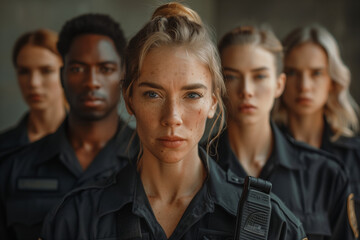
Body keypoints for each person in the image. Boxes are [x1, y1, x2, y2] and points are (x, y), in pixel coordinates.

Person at [41, 3, 307, 240]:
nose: (172, 118)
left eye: (192, 95)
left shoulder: (269, 222)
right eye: (153, 94)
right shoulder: (76, 217)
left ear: (213, 102)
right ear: (129, 99)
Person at [0, 14, 137, 240]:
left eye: (105, 68)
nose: (92, 81)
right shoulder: (13, 167)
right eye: (77, 68)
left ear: (123, 75)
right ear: (62, 75)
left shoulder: (149, 161)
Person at [215, 25, 354, 239]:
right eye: (232, 76)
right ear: (218, 84)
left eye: (259, 76)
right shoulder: (196, 168)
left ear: (279, 84)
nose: (247, 91)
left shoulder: (326, 173)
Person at [273, 24, 360, 237]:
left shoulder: (356, 155)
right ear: (279, 80)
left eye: (317, 73)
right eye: (293, 72)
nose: (304, 86)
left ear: (333, 80)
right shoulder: (263, 152)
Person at [0, 29, 66, 153]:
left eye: (46, 71)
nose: (33, 83)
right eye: (24, 72)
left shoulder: (93, 144)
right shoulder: (4, 148)